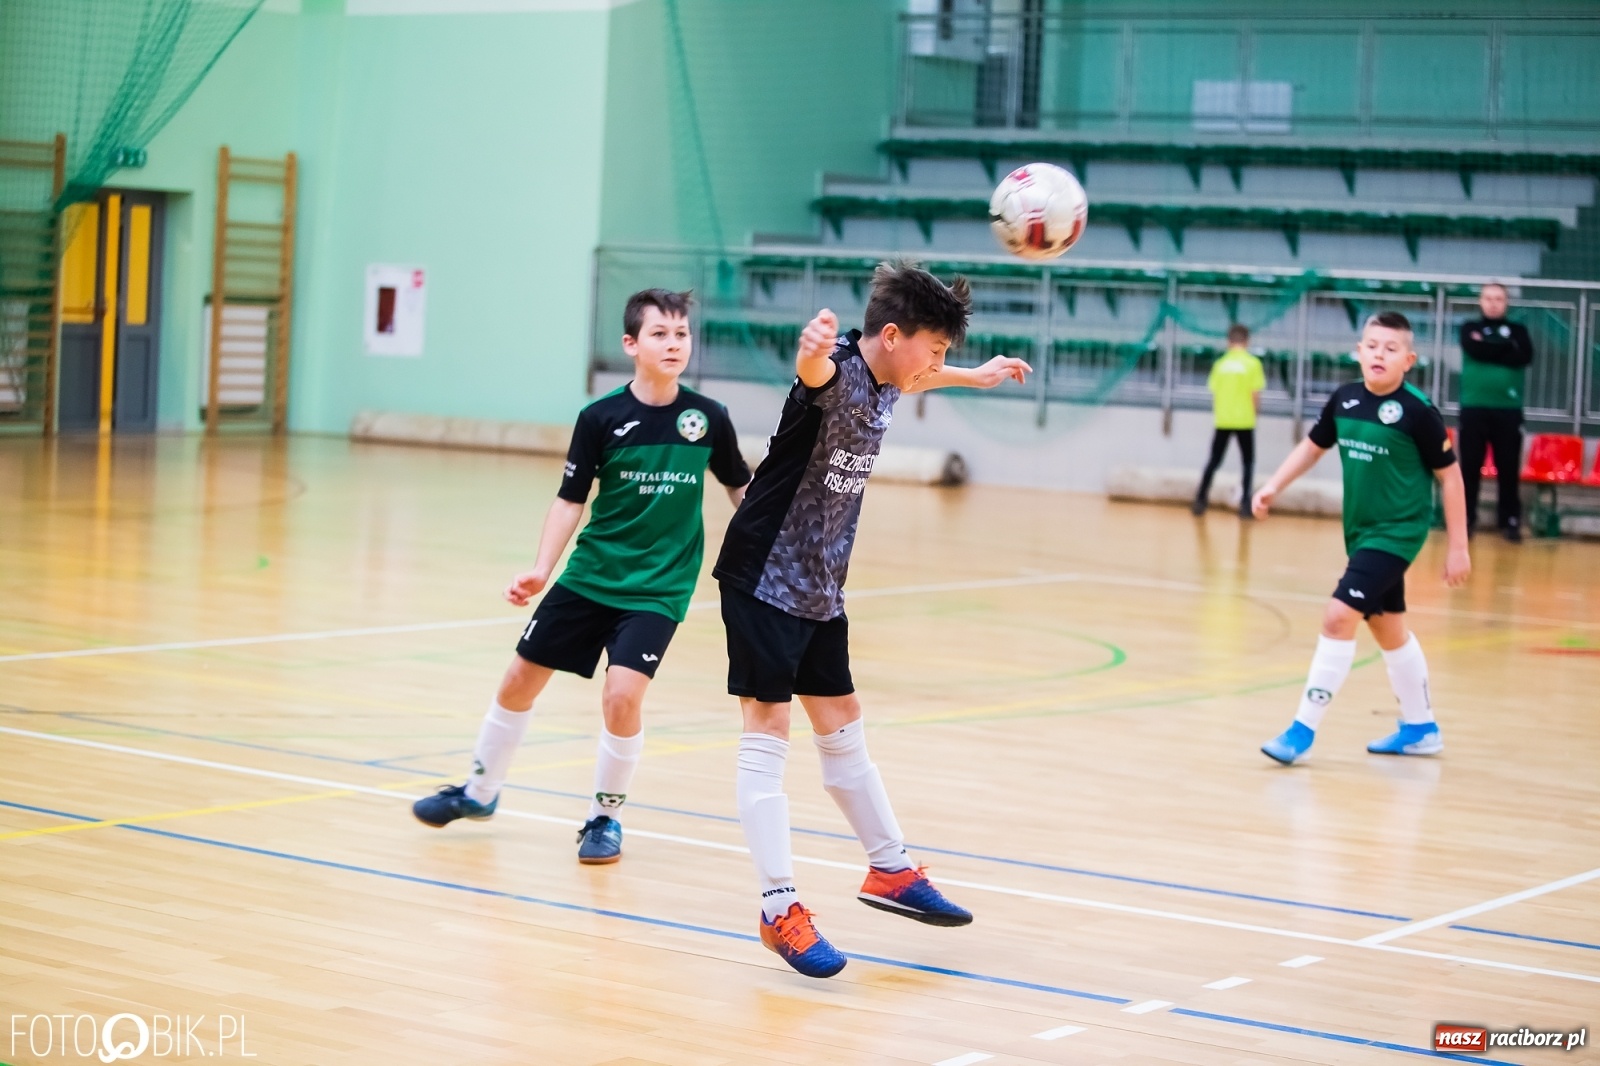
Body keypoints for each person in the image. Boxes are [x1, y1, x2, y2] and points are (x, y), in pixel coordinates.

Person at [713, 261, 1029, 978]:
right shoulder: (842, 375)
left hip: (820, 581)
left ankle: (890, 869)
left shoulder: (893, 376)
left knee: (844, 718)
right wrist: (812, 349)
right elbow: (814, 373)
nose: (935, 364)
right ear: (892, 335)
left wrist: (972, 375)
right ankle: (777, 907)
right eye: (936, 350)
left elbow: (915, 379)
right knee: (768, 730)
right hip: (764, 572)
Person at [411, 289, 751, 864]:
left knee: (621, 696)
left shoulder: (708, 418)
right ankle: (479, 792)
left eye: (681, 334)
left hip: (659, 587)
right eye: (660, 334)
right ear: (631, 344)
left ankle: (604, 817)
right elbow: (571, 500)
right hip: (591, 573)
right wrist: (542, 568)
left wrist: (772, 546)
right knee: (518, 680)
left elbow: (742, 488)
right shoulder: (601, 418)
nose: (673, 344)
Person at [1253, 311, 1470, 766]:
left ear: (1408, 360)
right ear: (1358, 351)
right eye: (1372, 346)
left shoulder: (1418, 413)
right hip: (1361, 533)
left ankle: (1301, 730)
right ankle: (1420, 727)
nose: (1379, 355)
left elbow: (1451, 479)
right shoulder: (1345, 400)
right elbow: (1313, 446)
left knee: (1337, 617)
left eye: (1391, 349)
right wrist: (1274, 485)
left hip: (1398, 534)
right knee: (1388, 630)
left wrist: (1458, 548)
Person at [1458, 282, 1533, 542]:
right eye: (1488, 298)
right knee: (1469, 467)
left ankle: (1510, 520)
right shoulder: (1469, 328)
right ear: (1480, 301)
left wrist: (1491, 347)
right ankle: (1466, 519)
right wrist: (1505, 346)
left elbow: (1524, 355)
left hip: (1508, 410)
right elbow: (1475, 348)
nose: (1492, 303)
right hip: (1473, 408)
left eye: (1498, 298)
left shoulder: (1519, 330)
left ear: (1506, 302)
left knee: (1508, 467)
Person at [1192, 323, 1266, 518]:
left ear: (1229, 342)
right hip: (1245, 420)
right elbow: (1255, 394)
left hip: (1223, 420)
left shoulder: (1220, 364)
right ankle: (1245, 506)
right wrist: (1255, 413)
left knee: (1214, 461)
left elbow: (1214, 390)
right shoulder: (1252, 364)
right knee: (1248, 463)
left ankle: (1200, 500)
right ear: (1247, 341)